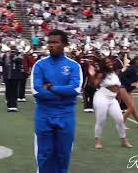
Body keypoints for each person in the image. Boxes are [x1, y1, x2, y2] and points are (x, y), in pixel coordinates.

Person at [31, 30, 83, 173]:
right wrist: (63, 93)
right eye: (50, 42)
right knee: (44, 156)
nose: (51, 46)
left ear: (65, 44)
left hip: (66, 116)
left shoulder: (74, 66)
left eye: (55, 42)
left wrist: (51, 87)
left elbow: (75, 90)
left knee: (63, 156)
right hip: (44, 116)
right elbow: (37, 92)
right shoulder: (40, 65)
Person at [90, 57, 133, 149]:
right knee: (101, 120)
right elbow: (94, 84)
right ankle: (97, 141)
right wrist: (95, 76)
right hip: (102, 97)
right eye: (107, 63)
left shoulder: (114, 73)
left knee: (120, 119)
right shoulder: (101, 74)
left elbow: (117, 86)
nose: (110, 64)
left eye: (110, 62)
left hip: (112, 98)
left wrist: (118, 97)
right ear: (103, 65)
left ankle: (124, 141)